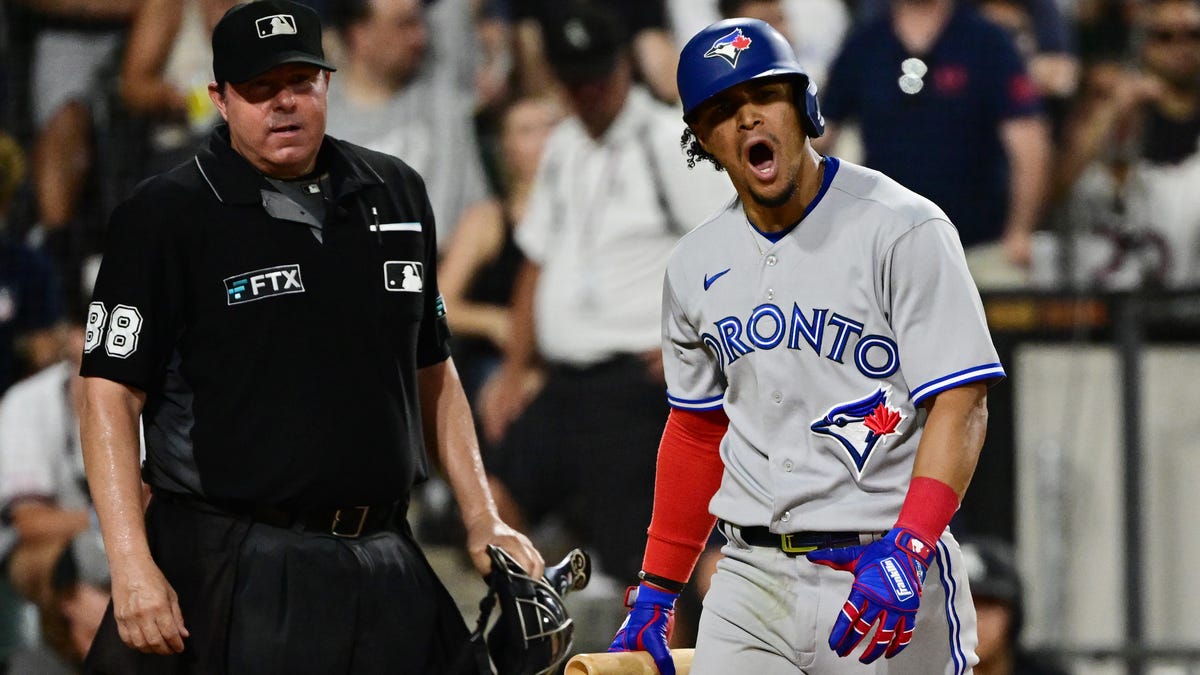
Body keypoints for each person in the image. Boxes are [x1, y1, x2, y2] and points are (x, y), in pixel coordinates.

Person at [77, 3, 541, 674]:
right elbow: (108, 396)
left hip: (383, 553)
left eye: (300, 82)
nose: (283, 103)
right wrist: (130, 563)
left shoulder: (398, 193)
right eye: (261, 88)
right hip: (237, 561)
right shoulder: (164, 215)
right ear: (220, 99)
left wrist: (481, 516)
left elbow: (432, 368)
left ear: (329, 83)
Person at [607, 19, 1004, 675]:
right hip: (748, 578)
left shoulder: (902, 226)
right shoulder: (693, 264)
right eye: (722, 111)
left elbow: (962, 402)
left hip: (883, 567)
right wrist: (658, 584)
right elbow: (698, 430)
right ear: (703, 141)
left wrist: (910, 545)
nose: (746, 120)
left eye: (763, 97)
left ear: (804, 106)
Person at [479, 2, 732, 584]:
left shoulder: (669, 140)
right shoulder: (565, 144)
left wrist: (701, 347)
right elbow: (536, 259)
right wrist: (516, 368)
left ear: (622, 66)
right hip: (565, 383)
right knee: (491, 505)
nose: (587, 91)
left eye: (597, 75)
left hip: (634, 389)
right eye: (575, 79)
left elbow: (730, 249)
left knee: (648, 567)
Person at [816, 0, 1051, 289]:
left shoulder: (987, 41)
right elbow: (820, 137)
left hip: (980, 248)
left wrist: (1020, 231)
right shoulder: (864, 44)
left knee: (1005, 309)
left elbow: (1028, 143)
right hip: (886, 250)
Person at [325, 0, 492, 249]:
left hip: (446, 264)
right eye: (405, 25)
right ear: (359, 35)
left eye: (420, 21)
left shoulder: (442, 81)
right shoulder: (323, 119)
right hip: (362, 271)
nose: (421, 36)